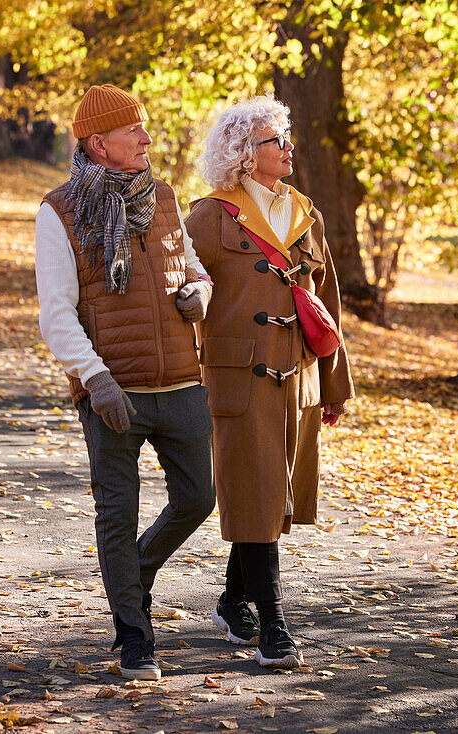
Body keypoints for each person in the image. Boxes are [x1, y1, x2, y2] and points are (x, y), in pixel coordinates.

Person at [34, 84, 216, 681]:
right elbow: (56, 312)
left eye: (145, 127)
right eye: (133, 130)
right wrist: (94, 379)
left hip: (181, 382)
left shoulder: (162, 197)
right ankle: (135, 635)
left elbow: (192, 267)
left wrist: (200, 294)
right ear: (98, 143)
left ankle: (131, 575)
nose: (146, 137)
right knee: (117, 512)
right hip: (113, 390)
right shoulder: (59, 210)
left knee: (198, 498)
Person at [185, 96, 354, 669]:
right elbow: (182, 296)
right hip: (238, 377)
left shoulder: (306, 211)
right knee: (254, 491)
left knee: (272, 497)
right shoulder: (210, 215)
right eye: (275, 141)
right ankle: (273, 621)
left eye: (285, 139)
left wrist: (334, 384)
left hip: (298, 376)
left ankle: (235, 600)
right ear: (242, 153)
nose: (288, 149)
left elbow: (325, 302)